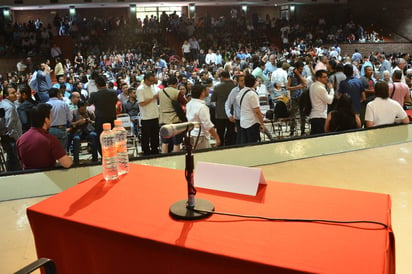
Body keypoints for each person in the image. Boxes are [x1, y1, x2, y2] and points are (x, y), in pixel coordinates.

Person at [16, 103, 72, 169]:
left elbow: (21, 162)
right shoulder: (50, 139)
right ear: (46, 119)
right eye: (51, 116)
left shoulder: (21, 139)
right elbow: (66, 164)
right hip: (48, 176)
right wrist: (70, 159)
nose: (52, 119)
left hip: (27, 176)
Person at [88, 75, 118, 154]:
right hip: (112, 118)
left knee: (101, 138)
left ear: (97, 85)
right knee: (112, 137)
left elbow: (88, 104)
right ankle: (113, 153)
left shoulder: (94, 94)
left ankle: (103, 155)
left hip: (100, 120)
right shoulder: (113, 92)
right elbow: (115, 102)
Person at [186, 84, 220, 150]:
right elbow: (207, 125)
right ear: (202, 93)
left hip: (191, 133)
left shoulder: (189, 104)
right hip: (200, 136)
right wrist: (217, 137)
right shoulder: (202, 107)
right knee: (203, 157)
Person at [159, 76, 187, 153]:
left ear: (168, 83)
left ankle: (164, 158)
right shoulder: (176, 92)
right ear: (176, 84)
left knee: (165, 142)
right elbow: (184, 103)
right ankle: (175, 158)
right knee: (176, 142)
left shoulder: (160, 92)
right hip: (174, 119)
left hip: (163, 119)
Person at [236, 74, 264, 144]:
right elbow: (257, 111)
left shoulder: (240, 93)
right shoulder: (252, 94)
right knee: (253, 145)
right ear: (254, 82)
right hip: (252, 123)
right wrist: (262, 124)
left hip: (243, 122)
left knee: (245, 145)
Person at [0, 84, 22, 171]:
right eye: (13, 93)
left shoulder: (3, 104)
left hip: (5, 137)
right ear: (6, 96)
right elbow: (10, 126)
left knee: (11, 159)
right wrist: (18, 139)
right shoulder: (9, 107)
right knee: (16, 161)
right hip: (11, 139)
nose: (15, 94)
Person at [211, 71, 236, 147]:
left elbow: (213, 99)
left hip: (220, 113)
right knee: (231, 133)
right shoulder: (235, 87)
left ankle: (220, 148)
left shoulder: (217, 87)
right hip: (232, 113)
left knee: (220, 133)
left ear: (221, 77)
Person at [137, 72, 160, 156]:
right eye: (151, 81)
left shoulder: (154, 87)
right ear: (146, 80)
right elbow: (141, 103)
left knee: (155, 135)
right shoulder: (140, 89)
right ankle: (146, 151)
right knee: (146, 136)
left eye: (153, 81)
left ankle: (155, 149)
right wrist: (153, 98)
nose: (152, 83)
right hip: (146, 116)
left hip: (155, 114)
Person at [309, 69, 335, 135]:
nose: (327, 78)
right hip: (320, 116)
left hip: (314, 116)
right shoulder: (320, 88)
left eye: (327, 76)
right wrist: (331, 89)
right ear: (318, 78)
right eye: (324, 77)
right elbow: (329, 101)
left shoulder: (312, 86)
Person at [225, 74, 245, 144]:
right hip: (238, 118)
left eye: (244, 80)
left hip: (248, 118)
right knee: (239, 137)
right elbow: (227, 103)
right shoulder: (234, 91)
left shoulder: (249, 90)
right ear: (238, 82)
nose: (243, 82)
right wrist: (229, 115)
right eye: (241, 81)